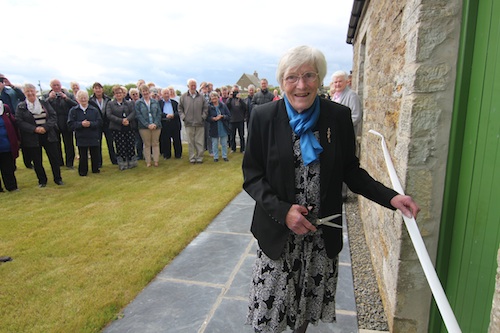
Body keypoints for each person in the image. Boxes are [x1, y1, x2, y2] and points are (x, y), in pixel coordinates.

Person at [242, 45, 420, 333]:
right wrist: (284, 212)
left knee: (303, 314)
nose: (301, 85)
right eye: (292, 77)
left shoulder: (337, 116)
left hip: (320, 238)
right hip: (278, 233)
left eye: (309, 75)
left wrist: (392, 197)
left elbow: (351, 170)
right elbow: (252, 176)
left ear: (320, 79)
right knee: (270, 316)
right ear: (281, 81)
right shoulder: (264, 116)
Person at [15, 83, 63, 187]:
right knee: (37, 160)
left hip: (48, 134)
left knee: (54, 158)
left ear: (35, 91)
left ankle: (58, 179)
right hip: (32, 137)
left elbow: (53, 116)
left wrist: (45, 127)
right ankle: (42, 181)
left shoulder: (44, 103)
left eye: (32, 90)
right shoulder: (21, 106)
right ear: (24, 93)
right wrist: (34, 129)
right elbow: (19, 121)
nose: (30, 93)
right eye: (27, 91)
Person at [330, 70, 363, 201]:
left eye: (340, 81)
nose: (337, 84)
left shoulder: (351, 96)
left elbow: (356, 116)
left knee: (344, 163)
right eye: (335, 81)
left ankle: (343, 194)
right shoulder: (336, 95)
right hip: (334, 136)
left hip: (345, 136)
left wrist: (339, 127)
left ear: (346, 82)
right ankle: (336, 191)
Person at [44, 79, 77, 169]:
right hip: (54, 123)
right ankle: (59, 162)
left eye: (58, 85)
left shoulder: (68, 94)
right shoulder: (46, 96)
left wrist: (66, 98)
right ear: (51, 86)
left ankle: (70, 163)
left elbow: (76, 105)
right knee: (56, 144)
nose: (56, 87)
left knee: (69, 144)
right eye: (54, 85)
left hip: (66, 121)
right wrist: (49, 98)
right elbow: (43, 106)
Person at [68, 90, 102, 176]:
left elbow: (99, 122)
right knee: (83, 155)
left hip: (93, 135)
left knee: (95, 154)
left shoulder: (94, 110)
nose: (83, 99)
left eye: (85, 97)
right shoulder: (73, 111)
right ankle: (83, 171)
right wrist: (81, 124)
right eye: (81, 98)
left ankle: (95, 169)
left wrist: (90, 124)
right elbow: (70, 124)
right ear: (77, 99)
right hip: (81, 136)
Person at [106, 85, 137, 170]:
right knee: (120, 146)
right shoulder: (110, 104)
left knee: (130, 145)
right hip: (117, 128)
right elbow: (109, 115)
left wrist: (127, 119)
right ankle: (122, 163)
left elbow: (133, 113)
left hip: (129, 126)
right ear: (114, 94)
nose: (119, 94)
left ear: (123, 94)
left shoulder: (129, 103)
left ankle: (132, 162)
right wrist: (121, 121)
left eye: (120, 93)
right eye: (116, 93)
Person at [178, 78, 208, 164]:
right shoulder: (183, 97)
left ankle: (199, 158)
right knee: (190, 142)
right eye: (191, 85)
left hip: (200, 123)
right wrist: (184, 117)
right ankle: (192, 158)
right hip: (188, 123)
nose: (193, 86)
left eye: (194, 85)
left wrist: (203, 117)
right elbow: (180, 108)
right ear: (188, 86)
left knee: (199, 141)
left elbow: (205, 108)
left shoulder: (201, 97)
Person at [89, 82, 116, 167]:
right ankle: (99, 162)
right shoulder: (90, 100)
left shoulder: (108, 99)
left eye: (99, 88)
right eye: (96, 88)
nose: (98, 90)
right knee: (98, 144)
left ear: (102, 89)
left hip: (107, 123)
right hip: (97, 124)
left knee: (110, 143)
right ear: (93, 90)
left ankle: (114, 160)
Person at [135, 84, 162, 167]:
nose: (145, 92)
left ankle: (156, 161)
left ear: (149, 92)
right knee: (146, 144)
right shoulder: (138, 103)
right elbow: (138, 115)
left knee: (155, 143)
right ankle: (148, 161)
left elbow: (159, 113)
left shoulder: (155, 102)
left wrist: (155, 123)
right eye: (143, 91)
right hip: (144, 127)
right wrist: (147, 125)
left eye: (146, 91)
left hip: (156, 126)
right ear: (141, 92)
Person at [0, 101, 19, 192]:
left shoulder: (5, 108)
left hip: (6, 144)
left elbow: (13, 124)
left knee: (8, 167)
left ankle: (11, 186)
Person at [207, 91, 231, 162]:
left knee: (224, 143)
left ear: (218, 97)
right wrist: (213, 118)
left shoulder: (223, 105)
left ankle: (224, 156)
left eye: (215, 96)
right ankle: (216, 157)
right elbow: (207, 118)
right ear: (210, 98)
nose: (214, 98)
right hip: (214, 127)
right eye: (212, 96)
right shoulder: (209, 107)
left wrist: (222, 116)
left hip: (223, 126)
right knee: (215, 143)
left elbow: (229, 116)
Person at [159, 88, 182, 159]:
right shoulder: (159, 103)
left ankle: (178, 155)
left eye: (167, 93)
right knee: (165, 140)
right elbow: (158, 113)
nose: (166, 95)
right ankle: (167, 155)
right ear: (162, 95)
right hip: (164, 123)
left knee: (177, 139)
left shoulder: (174, 102)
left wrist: (173, 115)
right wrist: (166, 115)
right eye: (165, 93)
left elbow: (179, 112)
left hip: (174, 122)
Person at [226, 85, 247, 153]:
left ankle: (242, 149)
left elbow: (245, 107)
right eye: (234, 91)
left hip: (240, 120)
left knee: (241, 136)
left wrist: (240, 99)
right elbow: (227, 107)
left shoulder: (241, 99)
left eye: (236, 91)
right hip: (232, 120)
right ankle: (233, 148)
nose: (235, 93)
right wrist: (230, 97)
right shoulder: (230, 99)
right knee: (232, 136)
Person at [129, 87, 143, 160]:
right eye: (133, 94)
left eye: (136, 94)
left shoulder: (142, 102)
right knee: (138, 141)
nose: (135, 95)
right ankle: (139, 155)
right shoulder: (130, 104)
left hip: (142, 123)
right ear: (131, 96)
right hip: (134, 124)